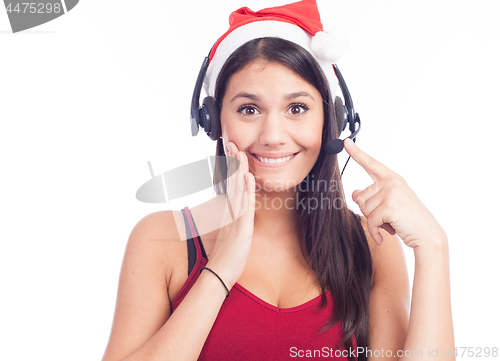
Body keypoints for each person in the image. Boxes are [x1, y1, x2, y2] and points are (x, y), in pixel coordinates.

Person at [101, 1, 454, 360]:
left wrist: (434, 249)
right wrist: (222, 267)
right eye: (249, 109)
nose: (273, 136)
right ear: (212, 121)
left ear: (330, 119)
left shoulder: (372, 244)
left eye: (297, 108)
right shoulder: (163, 239)